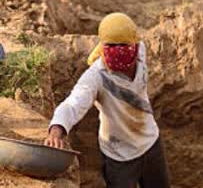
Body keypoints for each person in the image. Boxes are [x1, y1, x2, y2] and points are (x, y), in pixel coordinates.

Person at [45, 13, 171, 188]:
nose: (118, 50)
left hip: (150, 143)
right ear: (103, 45)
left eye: (123, 45)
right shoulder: (97, 75)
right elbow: (74, 103)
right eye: (111, 45)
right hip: (119, 156)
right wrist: (56, 130)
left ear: (133, 43)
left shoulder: (140, 52)